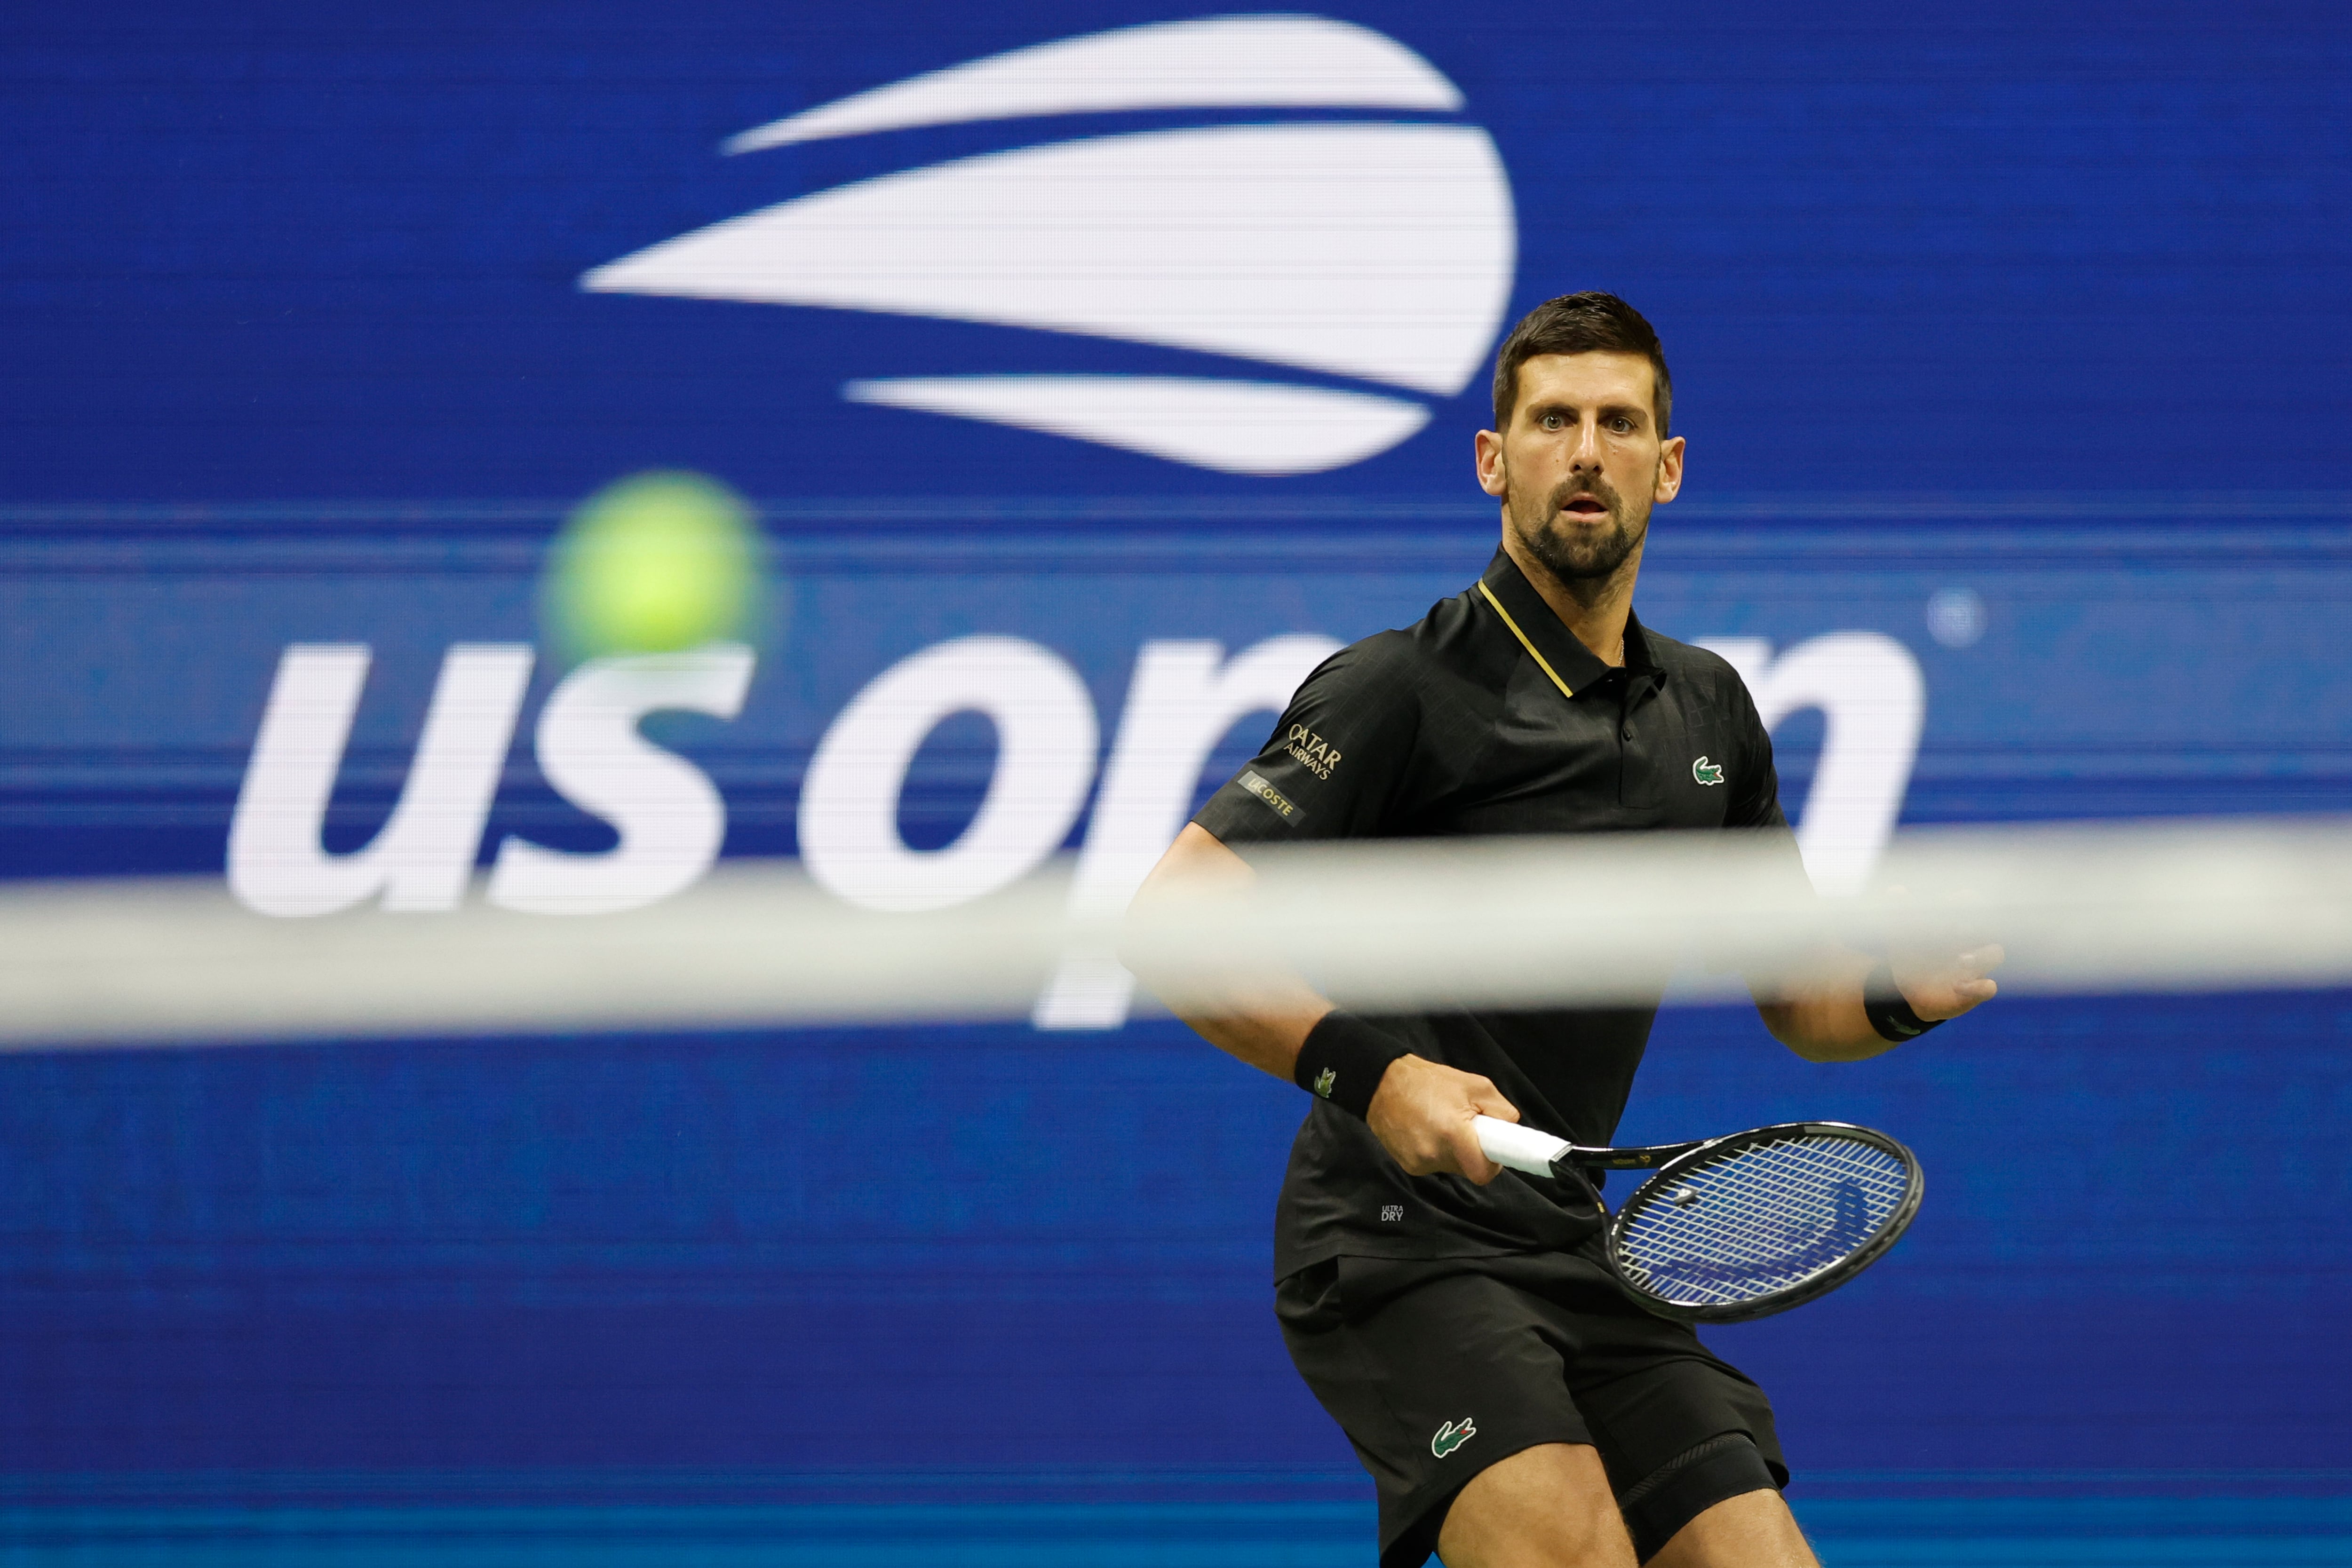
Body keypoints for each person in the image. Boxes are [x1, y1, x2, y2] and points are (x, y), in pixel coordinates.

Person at [1125, 293, 2002, 1568]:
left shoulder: (1708, 711)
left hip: (1581, 1247)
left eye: (1619, 422)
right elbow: (1173, 924)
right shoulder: (1399, 690)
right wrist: (1383, 1080)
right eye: (1552, 420)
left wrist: (1893, 996)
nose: (1585, 450)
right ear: (1496, 460)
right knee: (1571, 1551)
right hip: (1394, 1242)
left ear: (1668, 466)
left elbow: (1799, 998)